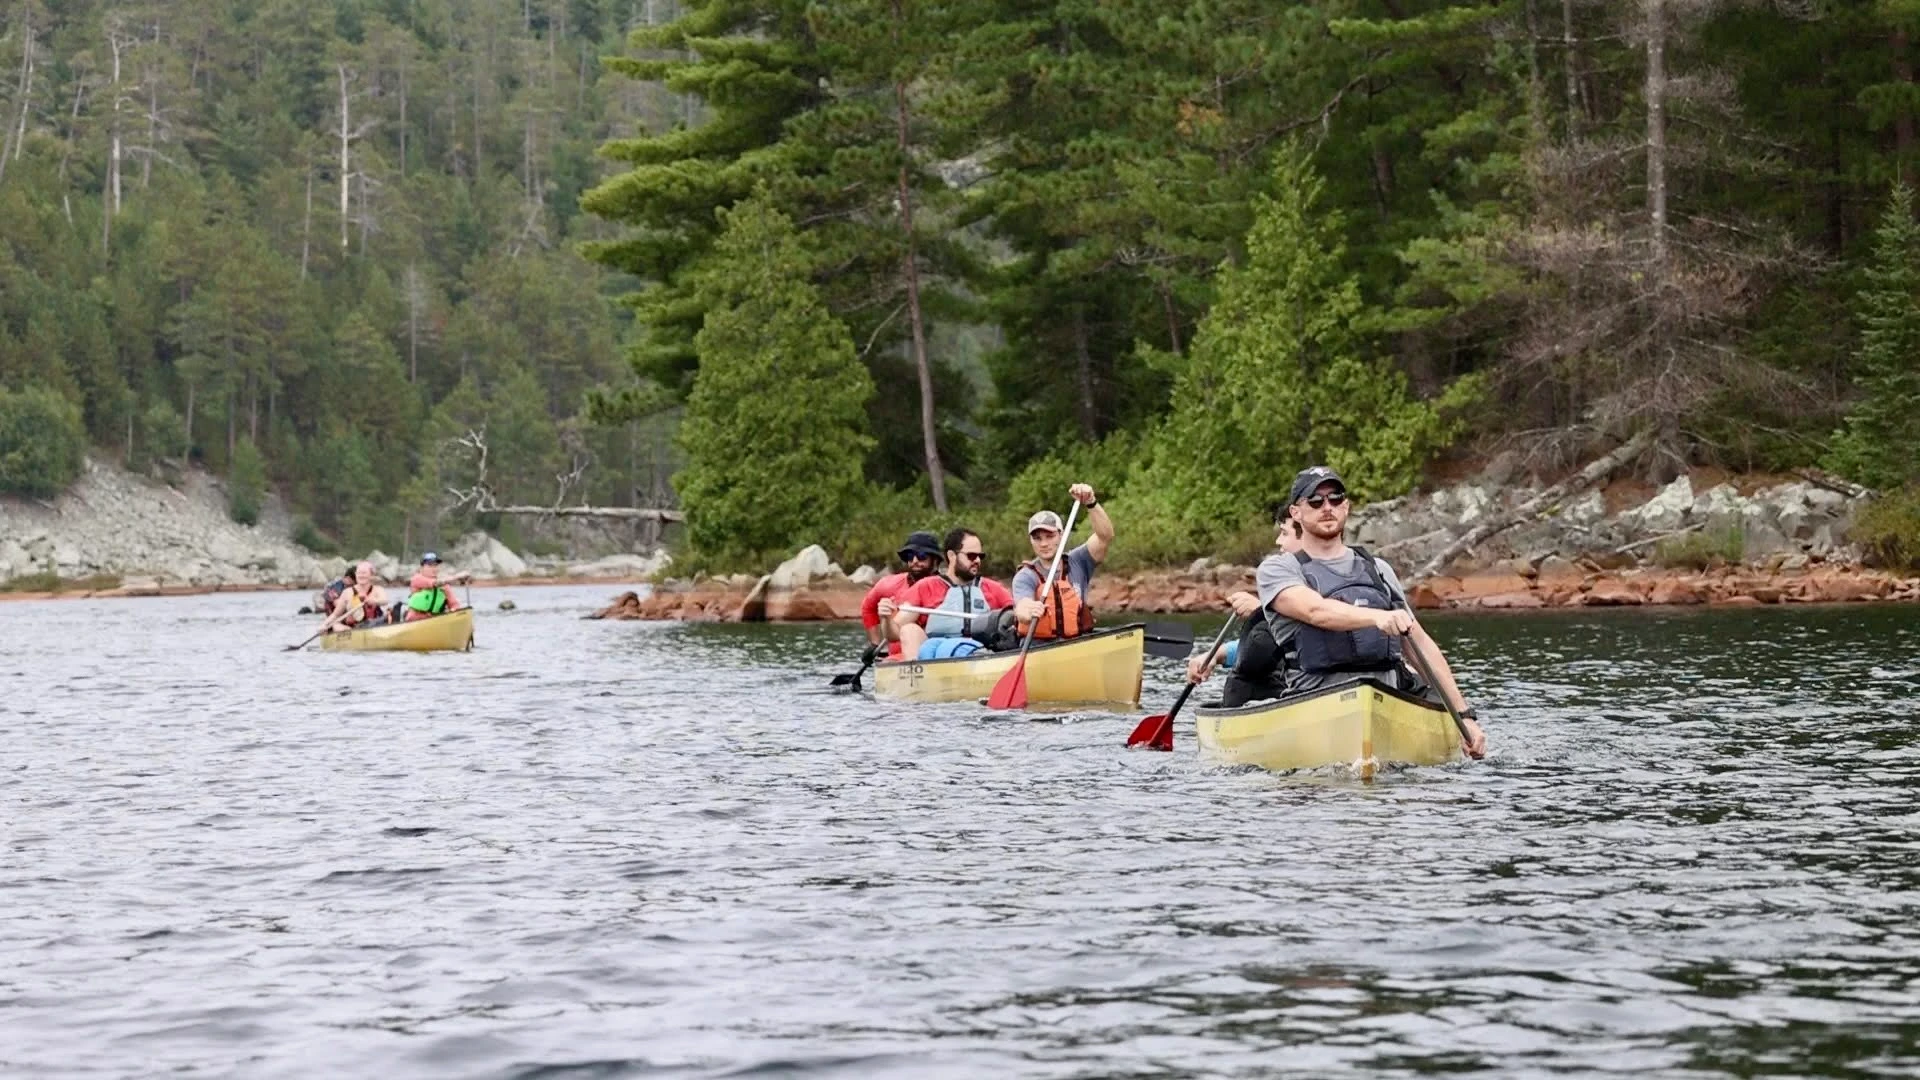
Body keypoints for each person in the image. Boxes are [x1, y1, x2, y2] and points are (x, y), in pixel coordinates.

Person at [1260, 465, 1486, 757]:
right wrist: (1378, 617)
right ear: (1296, 512)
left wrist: (1465, 715)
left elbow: (1418, 643)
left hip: (1387, 694)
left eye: (1335, 498)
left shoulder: (1378, 569)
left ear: (1346, 506)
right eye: (1315, 501)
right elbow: (1316, 611)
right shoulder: (1278, 570)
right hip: (1314, 699)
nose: (1327, 507)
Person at [1186, 517, 1306, 705]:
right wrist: (1216, 655)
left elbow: (1309, 638)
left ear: (1307, 536)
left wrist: (1261, 612)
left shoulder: (1331, 585)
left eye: (1284, 533)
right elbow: (1270, 643)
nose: (1278, 542)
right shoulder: (1289, 582)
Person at [1010, 482, 1113, 643]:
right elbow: (1022, 608)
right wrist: (1029, 611)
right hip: (1039, 647)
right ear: (1031, 541)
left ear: (1061, 535)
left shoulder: (1079, 561)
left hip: (1077, 643)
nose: (1044, 544)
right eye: (1037, 538)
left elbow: (1105, 537)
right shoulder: (1025, 576)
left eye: (1050, 536)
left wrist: (1091, 502)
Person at [891, 528, 1015, 660]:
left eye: (980, 556)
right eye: (971, 556)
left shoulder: (994, 589)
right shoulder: (925, 587)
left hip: (983, 655)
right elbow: (893, 632)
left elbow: (1016, 618)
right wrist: (886, 619)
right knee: (909, 629)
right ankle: (917, 671)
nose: (977, 560)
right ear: (951, 556)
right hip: (936, 654)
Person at [860, 530, 943, 662]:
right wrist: (874, 644)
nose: (915, 561)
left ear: (935, 561)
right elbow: (868, 607)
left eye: (921, 556)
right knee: (889, 662)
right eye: (910, 556)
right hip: (897, 657)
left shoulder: (946, 587)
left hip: (936, 654)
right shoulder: (889, 584)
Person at [402, 551, 473, 622]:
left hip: (435, 620)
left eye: (435, 565)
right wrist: (457, 577)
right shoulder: (417, 579)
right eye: (430, 565)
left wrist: (454, 612)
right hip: (415, 620)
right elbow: (435, 583)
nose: (434, 568)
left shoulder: (445, 586)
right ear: (422, 568)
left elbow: (454, 604)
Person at [326, 560, 390, 633]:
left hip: (375, 624)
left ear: (371, 575)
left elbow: (385, 601)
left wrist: (373, 601)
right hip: (355, 627)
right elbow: (335, 615)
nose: (361, 575)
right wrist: (324, 625)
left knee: (391, 614)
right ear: (356, 574)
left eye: (364, 573)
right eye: (359, 573)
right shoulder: (347, 592)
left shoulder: (378, 589)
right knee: (336, 626)